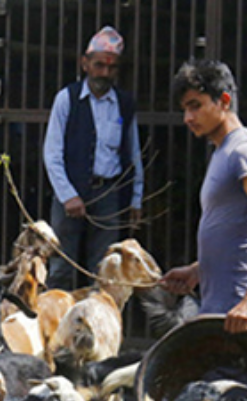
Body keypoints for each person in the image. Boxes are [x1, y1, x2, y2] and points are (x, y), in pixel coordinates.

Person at [159, 58, 247, 334]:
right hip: (219, 314)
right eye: (184, 109)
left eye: (195, 105)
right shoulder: (223, 152)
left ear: (224, 101)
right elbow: (238, 233)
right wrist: (197, 271)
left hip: (245, 321)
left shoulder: (246, 151)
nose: (188, 118)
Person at [42, 25, 145, 290]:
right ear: (85, 64)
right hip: (70, 190)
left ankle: (96, 323)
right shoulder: (67, 99)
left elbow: (133, 154)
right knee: (62, 264)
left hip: (108, 194)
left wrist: (135, 198)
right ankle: (54, 322)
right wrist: (68, 195)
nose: (104, 73)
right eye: (99, 66)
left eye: (111, 68)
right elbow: (52, 153)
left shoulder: (124, 104)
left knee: (104, 266)